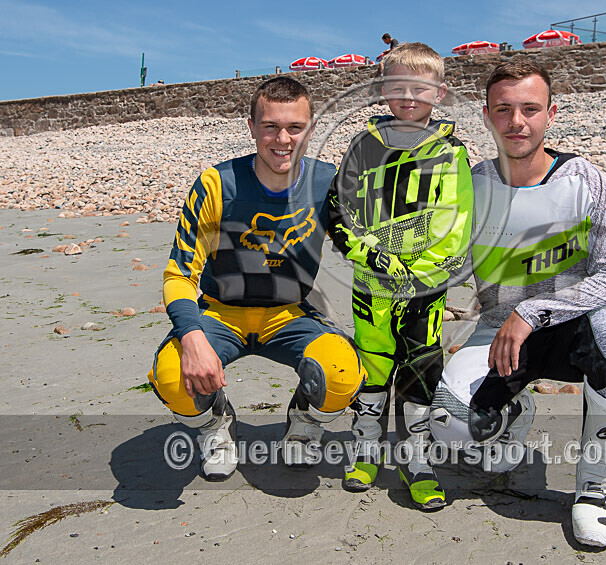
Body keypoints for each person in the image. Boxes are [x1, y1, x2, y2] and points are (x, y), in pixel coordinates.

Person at [429, 59, 606, 548]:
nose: (517, 121)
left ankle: (598, 485)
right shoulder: (469, 186)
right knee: (448, 425)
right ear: (487, 116)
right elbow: (450, 266)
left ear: (551, 114)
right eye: (504, 110)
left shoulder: (585, 181)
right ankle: (510, 416)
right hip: (496, 333)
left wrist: (532, 312)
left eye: (529, 108)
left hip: (576, 330)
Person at [148, 76, 366, 481]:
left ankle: (304, 422)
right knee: (172, 375)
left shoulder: (328, 183)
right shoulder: (217, 184)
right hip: (220, 313)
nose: (282, 139)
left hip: (290, 313)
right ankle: (215, 425)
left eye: (295, 128)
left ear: (311, 129)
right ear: (251, 127)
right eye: (270, 126)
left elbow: (360, 247)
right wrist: (192, 338)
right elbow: (179, 273)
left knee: (341, 373)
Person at [328, 42, 473, 510]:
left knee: (419, 370)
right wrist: (371, 257)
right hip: (370, 285)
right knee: (372, 366)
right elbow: (337, 210)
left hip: (425, 290)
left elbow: (459, 225)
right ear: (382, 91)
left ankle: (417, 459)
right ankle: (367, 448)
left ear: (440, 93)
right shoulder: (362, 146)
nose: (408, 96)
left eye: (420, 87)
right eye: (397, 87)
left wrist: (420, 277)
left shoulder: (451, 153)